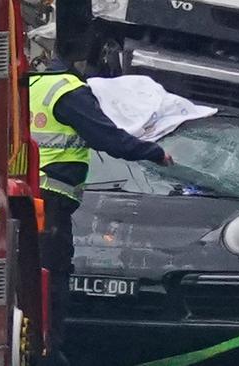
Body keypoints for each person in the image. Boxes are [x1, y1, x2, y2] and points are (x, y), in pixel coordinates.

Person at [30, 61, 173, 365]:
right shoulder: (69, 91)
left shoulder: (31, 85)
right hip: (50, 202)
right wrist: (155, 153)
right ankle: (48, 353)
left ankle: (35, 349)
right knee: (53, 279)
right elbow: (108, 138)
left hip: (24, 197)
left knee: (31, 279)